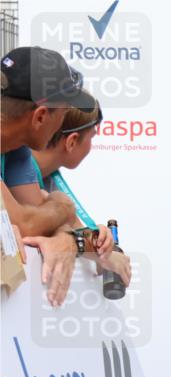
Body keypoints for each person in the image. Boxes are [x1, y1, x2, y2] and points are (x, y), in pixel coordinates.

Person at [2, 46, 107, 306]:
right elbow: (27, 222)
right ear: (40, 116)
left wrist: (67, 238)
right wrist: (64, 206)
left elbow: (37, 218)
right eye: (63, 113)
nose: (63, 123)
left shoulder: (16, 147)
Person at [30, 97, 131, 288]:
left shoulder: (48, 175)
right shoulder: (19, 171)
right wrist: (101, 254)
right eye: (92, 137)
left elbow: (73, 227)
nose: (91, 146)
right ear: (72, 141)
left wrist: (97, 240)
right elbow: (43, 225)